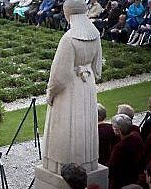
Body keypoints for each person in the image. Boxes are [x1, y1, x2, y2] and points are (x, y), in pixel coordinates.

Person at [42, 0, 102, 174]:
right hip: (87, 84)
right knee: (84, 124)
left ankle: (64, 167)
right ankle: (87, 162)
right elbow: (97, 67)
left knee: (66, 125)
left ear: (69, 13)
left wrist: (50, 93)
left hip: (70, 89)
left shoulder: (68, 38)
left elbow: (59, 76)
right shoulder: (95, 33)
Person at [108, 114, 144, 189]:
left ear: (118, 130)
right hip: (135, 176)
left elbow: (113, 169)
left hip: (123, 181)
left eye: (114, 127)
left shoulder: (119, 148)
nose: (112, 128)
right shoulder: (136, 136)